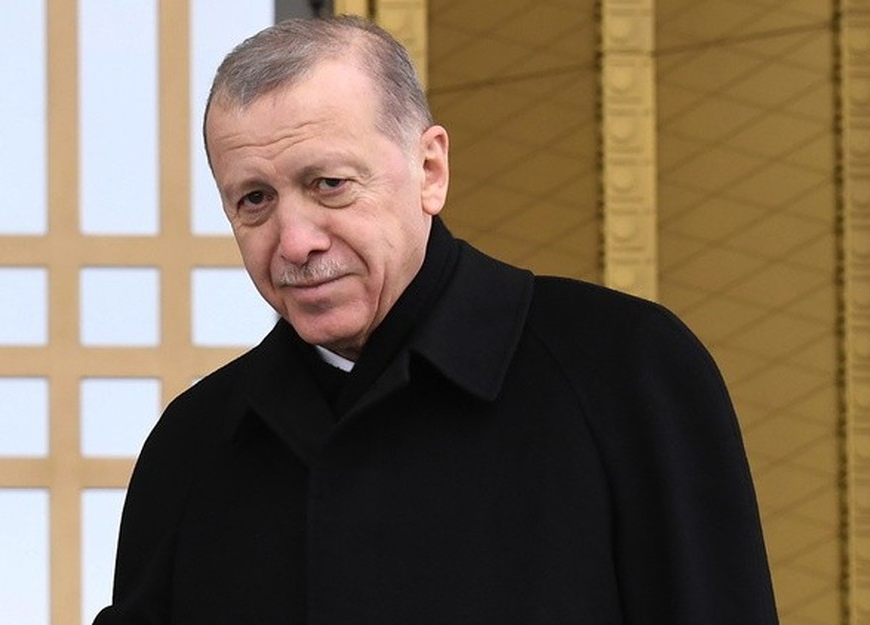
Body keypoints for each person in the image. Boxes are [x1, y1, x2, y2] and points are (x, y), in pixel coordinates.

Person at [93, 15, 778, 625]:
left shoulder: (626, 368)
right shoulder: (191, 444)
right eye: (253, 200)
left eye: (328, 184)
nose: (294, 240)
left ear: (429, 169)